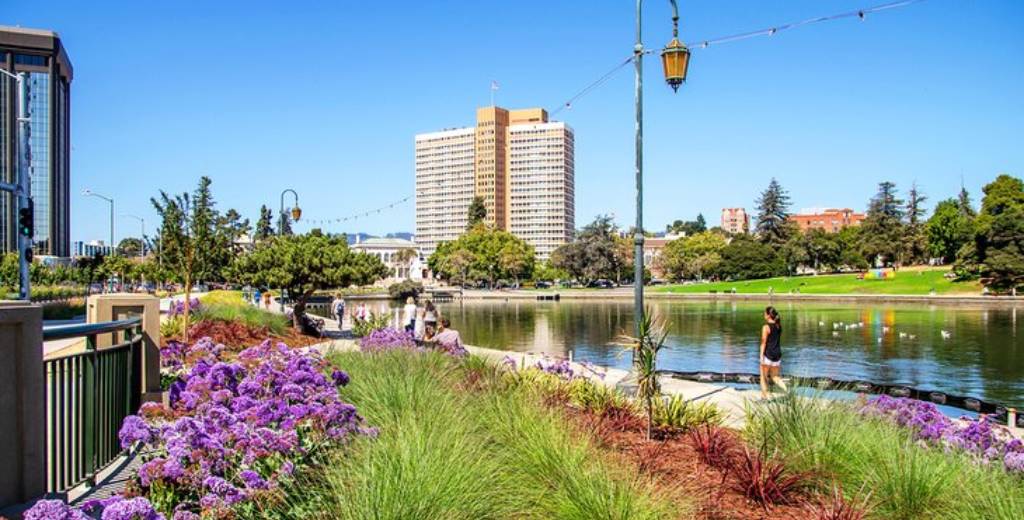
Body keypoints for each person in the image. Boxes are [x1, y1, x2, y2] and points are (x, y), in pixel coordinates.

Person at [759, 306, 788, 399]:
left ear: (768, 315)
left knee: (763, 376)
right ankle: (787, 391)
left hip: (768, 354)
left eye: (765, 313)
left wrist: (761, 356)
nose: (764, 315)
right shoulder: (778, 326)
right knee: (775, 376)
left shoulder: (766, 327)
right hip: (777, 354)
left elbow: (763, 342)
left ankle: (765, 396)